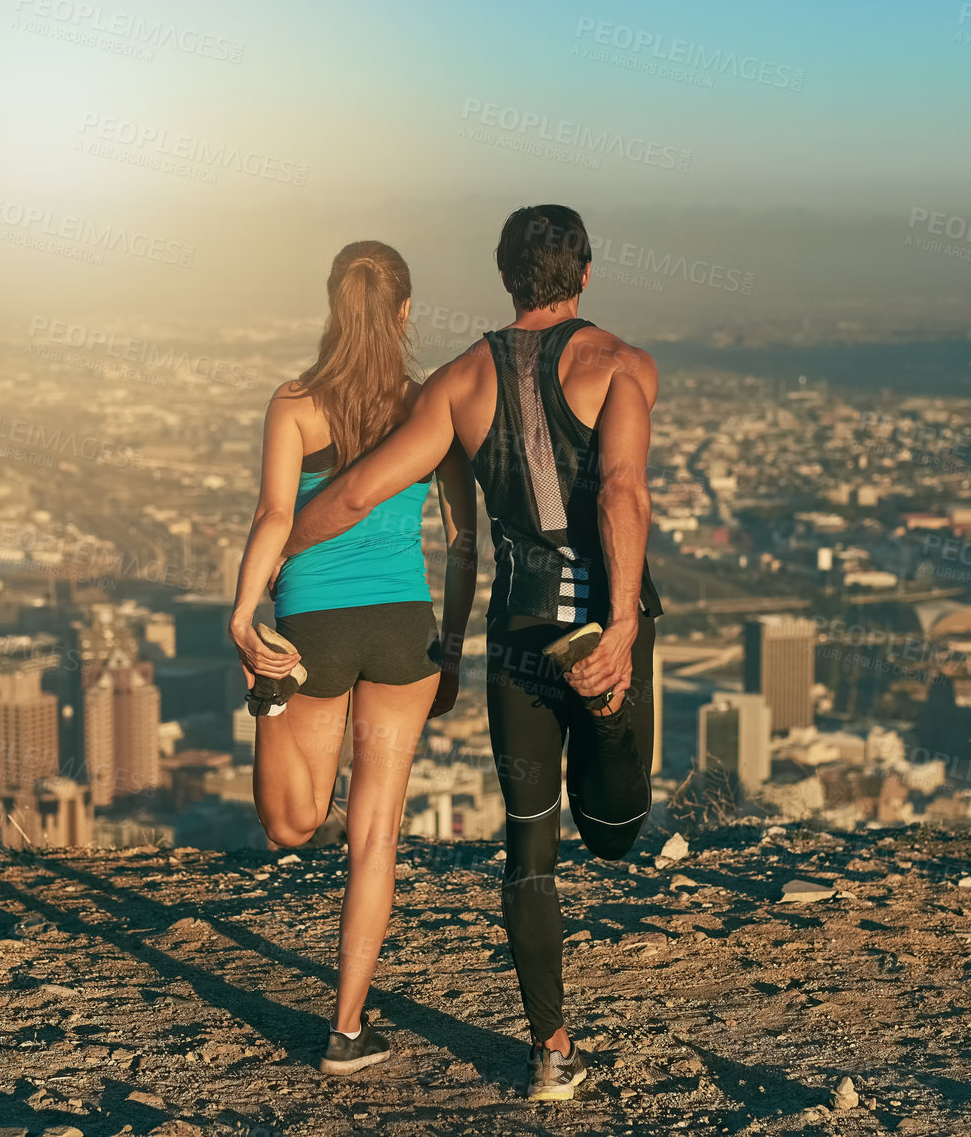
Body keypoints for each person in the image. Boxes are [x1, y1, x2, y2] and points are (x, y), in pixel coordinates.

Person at [282, 206, 662, 1101]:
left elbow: (357, 491)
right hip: (604, 620)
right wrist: (619, 628)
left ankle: (551, 1050)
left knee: (530, 846)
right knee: (614, 833)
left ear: (504, 276)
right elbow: (620, 493)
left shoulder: (455, 384)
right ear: (588, 273)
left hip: (520, 632)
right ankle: (607, 716)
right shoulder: (623, 368)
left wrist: (270, 558)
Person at [228, 240, 477, 1076]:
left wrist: (243, 609)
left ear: (333, 310)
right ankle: (346, 1030)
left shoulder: (294, 404)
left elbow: (272, 513)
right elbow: (461, 535)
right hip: (406, 627)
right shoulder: (429, 407)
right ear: (405, 315)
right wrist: (454, 638)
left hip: (315, 628)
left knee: (291, 827)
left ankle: (267, 699)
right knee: (375, 836)